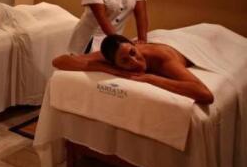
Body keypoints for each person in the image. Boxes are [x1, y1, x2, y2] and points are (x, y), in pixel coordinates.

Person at [52, 34, 214, 104]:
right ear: (115, 63)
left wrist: (151, 78)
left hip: (182, 42)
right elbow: (59, 61)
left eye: (133, 52)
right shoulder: (110, 54)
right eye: (125, 61)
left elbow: (205, 94)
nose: (135, 62)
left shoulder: (161, 58)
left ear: (135, 45)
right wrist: (110, 70)